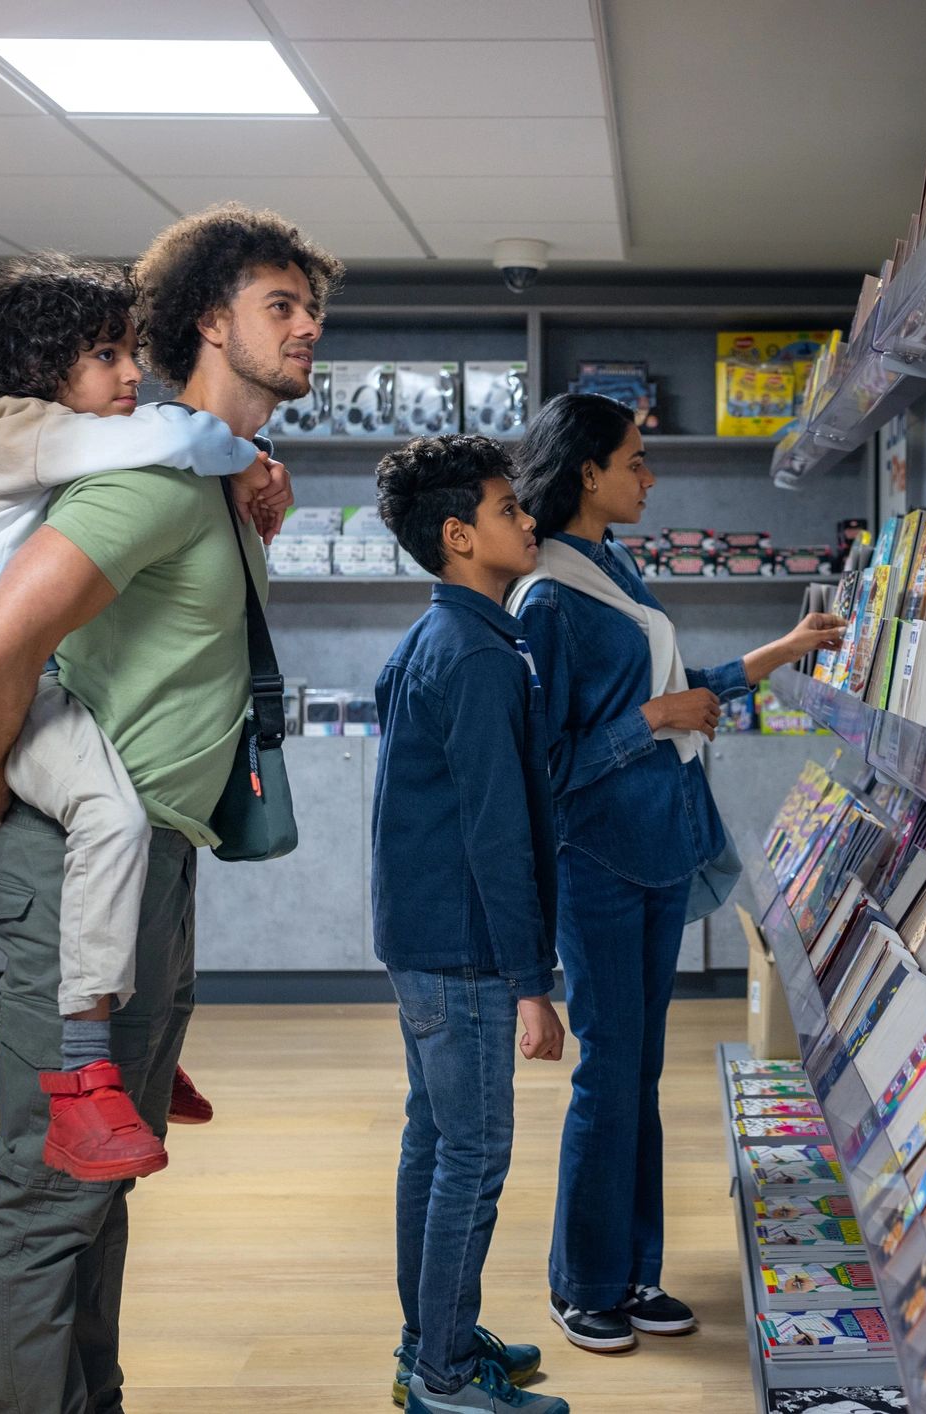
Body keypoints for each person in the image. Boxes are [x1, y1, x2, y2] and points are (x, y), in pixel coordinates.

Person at [0, 204, 340, 1414]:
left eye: (311, 306)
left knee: (100, 1184)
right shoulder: (155, 476)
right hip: (76, 859)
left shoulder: (213, 482)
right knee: (54, 1189)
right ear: (209, 324)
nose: (308, 325)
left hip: (153, 862)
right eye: (280, 305)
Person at [0, 252, 288, 1181]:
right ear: (44, 370)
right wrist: (250, 461)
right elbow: (173, 438)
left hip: (26, 680)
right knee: (111, 815)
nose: (131, 375)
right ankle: (88, 1075)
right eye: (107, 356)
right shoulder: (26, 434)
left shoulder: (24, 435)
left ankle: (136, 1051)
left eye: (130, 353)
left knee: (123, 825)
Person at [509, 392, 846, 1352]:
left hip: (656, 852)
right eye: (636, 459)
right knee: (609, 1076)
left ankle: (633, 1272)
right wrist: (653, 724)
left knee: (640, 1075)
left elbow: (674, 686)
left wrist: (775, 656)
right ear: (588, 472)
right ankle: (582, 1284)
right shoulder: (546, 598)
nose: (649, 476)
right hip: (600, 864)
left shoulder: (609, 567)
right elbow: (548, 765)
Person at [372, 434, 572, 1414]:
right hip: (466, 946)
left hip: (420, 934)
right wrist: (532, 982)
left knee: (435, 1139)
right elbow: (499, 833)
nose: (526, 520)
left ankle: (432, 1337)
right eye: (506, 509)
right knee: (472, 1153)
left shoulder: (432, 638)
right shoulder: (480, 657)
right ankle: (444, 1378)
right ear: (458, 536)